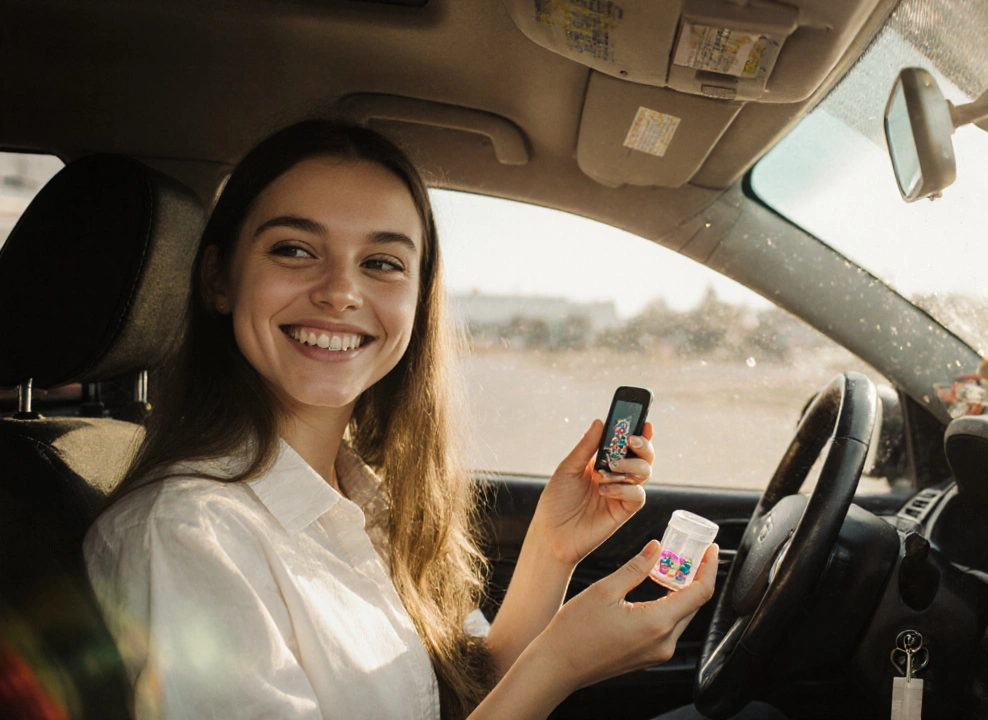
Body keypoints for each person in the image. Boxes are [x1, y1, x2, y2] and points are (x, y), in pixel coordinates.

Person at [83, 119, 719, 720]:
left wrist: (552, 549)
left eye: (382, 263)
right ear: (220, 279)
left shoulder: (360, 491)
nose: (341, 291)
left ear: (419, 297)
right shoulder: (183, 536)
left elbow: (462, 695)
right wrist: (558, 665)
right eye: (295, 249)